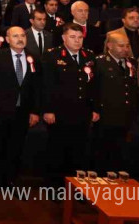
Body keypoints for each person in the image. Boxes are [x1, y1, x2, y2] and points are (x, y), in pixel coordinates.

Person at [0, 26, 41, 187]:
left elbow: (37, 87)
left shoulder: (33, 57)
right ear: (7, 39)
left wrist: (35, 111)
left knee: (16, 148)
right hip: (0, 111)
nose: (20, 39)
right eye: (15, 36)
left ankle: (11, 180)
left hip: (23, 112)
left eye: (23, 35)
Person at [41, 23, 97, 188]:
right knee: (57, 151)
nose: (77, 41)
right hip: (59, 112)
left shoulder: (89, 56)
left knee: (79, 152)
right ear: (64, 38)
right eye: (73, 37)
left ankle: (75, 188)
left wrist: (95, 108)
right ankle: (55, 187)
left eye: (80, 37)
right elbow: (46, 85)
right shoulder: (52, 55)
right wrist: (48, 110)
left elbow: (93, 85)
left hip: (82, 112)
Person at [91, 32, 138, 174]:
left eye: (128, 45)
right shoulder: (98, 62)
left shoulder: (131, 62)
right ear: (109, 45)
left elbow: (132, 88)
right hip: (106, 116)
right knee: (103, 154)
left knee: (122, 155)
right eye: (121, 45)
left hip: (125, 116)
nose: (126, 49)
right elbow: (93, 88)